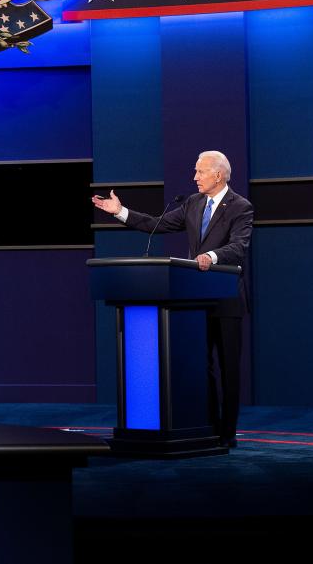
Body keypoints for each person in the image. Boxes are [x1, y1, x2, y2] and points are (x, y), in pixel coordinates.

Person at [91, 150, 253, 448]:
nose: (195, 177)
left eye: (200, 172)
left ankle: (227, 434)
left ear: (218, 175)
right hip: (195, 300)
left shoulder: (240, 207)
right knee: (201, 367)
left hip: (227, 300)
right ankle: (209, 427)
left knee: (229, 368)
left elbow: (238, 247)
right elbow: (157, 224)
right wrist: (120, 211)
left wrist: (211, 256)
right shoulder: (192, 203)